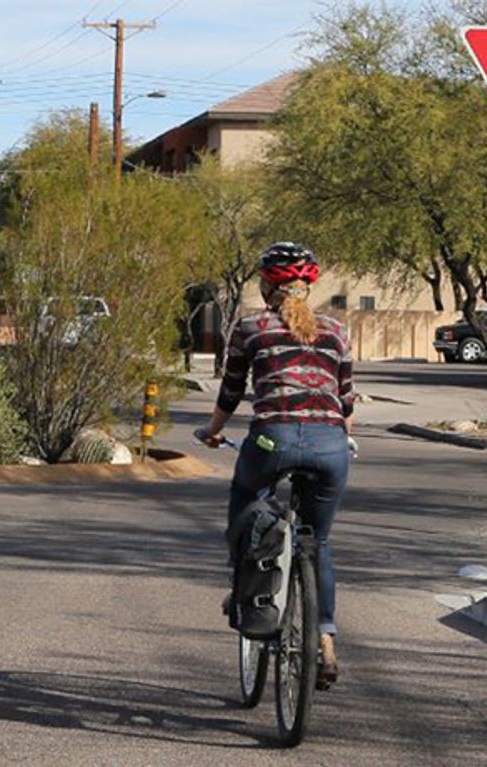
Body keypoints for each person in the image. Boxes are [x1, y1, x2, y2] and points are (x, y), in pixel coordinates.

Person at [197, 242, 355, 689]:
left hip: (272, 438)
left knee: (247, 502)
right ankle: (325, 641)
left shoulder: (251, 328)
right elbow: (345, 400)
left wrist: (212, 431)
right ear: (309, 286)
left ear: (267, 286)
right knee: (318, 543)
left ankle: (243, 584)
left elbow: (230, 392)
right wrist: (346, 436)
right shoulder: (336, 331)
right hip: (330, 447)